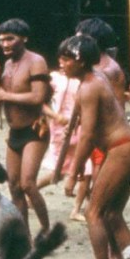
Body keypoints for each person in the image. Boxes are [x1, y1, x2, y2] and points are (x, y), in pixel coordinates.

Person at [63, 34, 130, 259]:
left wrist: (72, 173)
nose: (61, 64)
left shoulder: (90, 86)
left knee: (93, 212)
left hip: (121, 150)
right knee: (111, 213)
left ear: (80, 61)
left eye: (65, 59)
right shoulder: (96, 79)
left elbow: (86, 136)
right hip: (128, 148)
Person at [0, 18, 53, 235]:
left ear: (24, 38)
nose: (5, 44)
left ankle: (46, 229)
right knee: (14, 186)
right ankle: (23, 232)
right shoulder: (7, 65)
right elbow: (6, 97)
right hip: (15, 132)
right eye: (1, 40)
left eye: (10, 39)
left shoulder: (36, 61)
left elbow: (38, 97)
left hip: (34, 130)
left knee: (28, 183)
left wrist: (4, 94)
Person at [38, 66, 91, 222]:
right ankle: (32, 190)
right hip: (60, 128)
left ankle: (76, 208)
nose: (64, 64)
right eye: (62, 60)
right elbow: (40, 103)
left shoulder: (83, 80)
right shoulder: (53, 78)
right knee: (60, 171)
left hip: (80, 125)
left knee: (87, 168)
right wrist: (55, 116)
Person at [76, 18, 127, 101]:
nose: (77, 44)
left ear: (93, 40)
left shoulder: (106, 69)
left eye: (80, 40)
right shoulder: (95, 63)